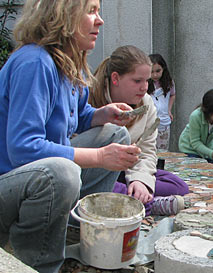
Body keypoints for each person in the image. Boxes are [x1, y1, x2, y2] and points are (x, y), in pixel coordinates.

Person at [0, 1, 142, 272]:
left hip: (31, 181)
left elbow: (77, 115)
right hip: (8, 186)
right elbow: (23, 148)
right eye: (91, 11)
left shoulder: (68, 62)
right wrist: (100, 157)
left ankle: (77, 229)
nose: (99, 20)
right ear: (62, 15)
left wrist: (101, 115)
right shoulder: (35, 62)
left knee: (116, 135)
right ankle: (39, 262)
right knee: (62, 173)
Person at [90, 45, 189, 216]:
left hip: (127, 170)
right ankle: (149, 205)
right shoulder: (90, 98)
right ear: (115, 78)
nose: (144, 87)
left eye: (147, 81)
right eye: (137, 81)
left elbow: (147, 150)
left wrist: (140, 180)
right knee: (103, 190)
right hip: (97, 171)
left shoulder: (146, 103)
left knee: (178, 186)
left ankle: (137, 198)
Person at [178, 89, 213, 169]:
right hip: (190, 149)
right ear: (207, 111)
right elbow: (195, 142)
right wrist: (210, 153)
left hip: (208, 150)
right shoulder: (195, 116)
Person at [147, 54, 176, 150]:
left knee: (163, 152)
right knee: (149, 151)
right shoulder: (145, 83)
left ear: (163, 69)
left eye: (158, 71)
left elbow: (172, 94)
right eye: (152, 72)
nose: (155, 75)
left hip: (164, 123)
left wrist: (169, 109)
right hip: (149, 123)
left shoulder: (169, 82)